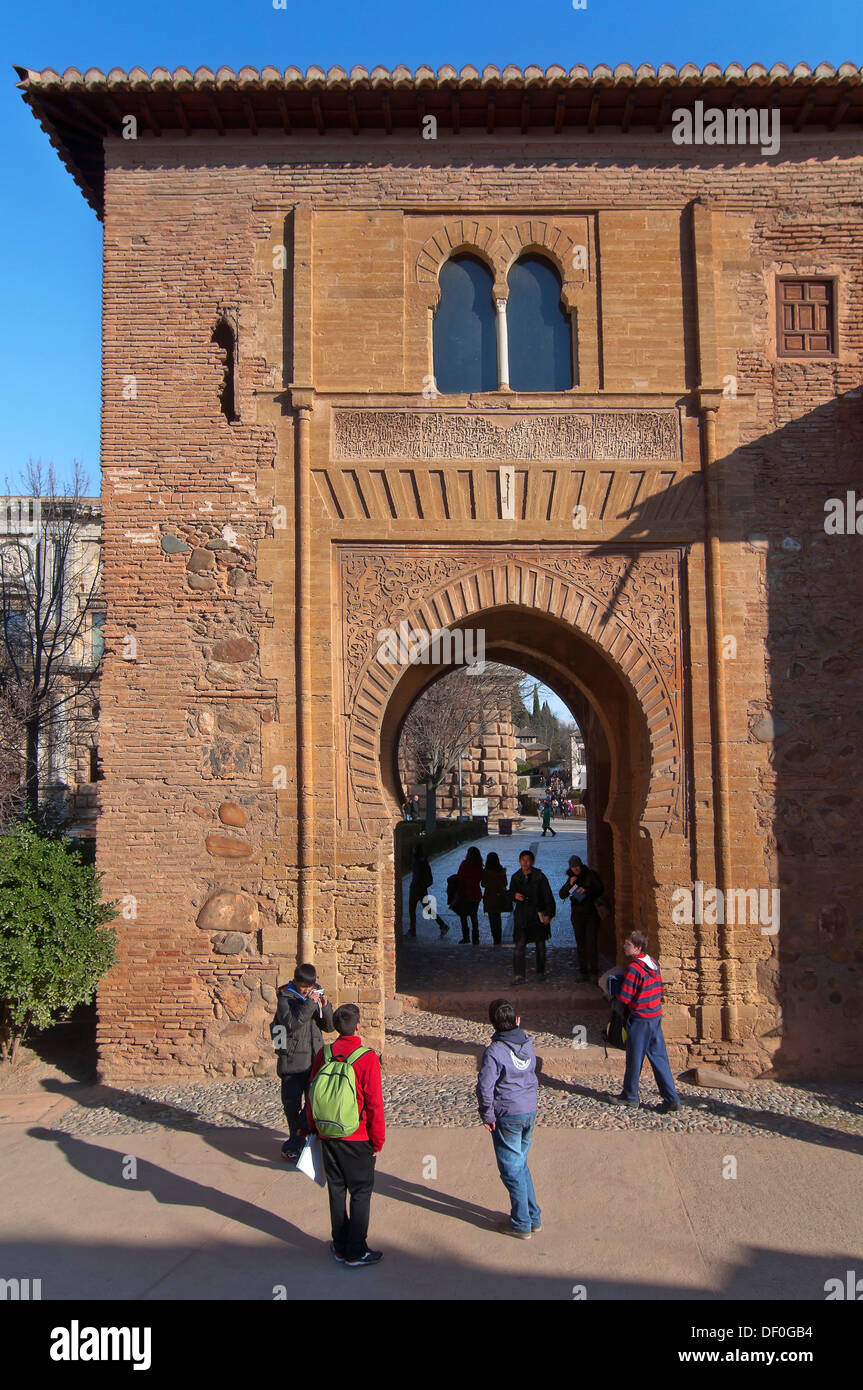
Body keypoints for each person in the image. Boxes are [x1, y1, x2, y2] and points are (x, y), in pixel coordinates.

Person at [304, 1003, 386, 1267]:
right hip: (357, 1135)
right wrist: (378, 1140)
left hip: (328, 1133)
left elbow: (312, 1093)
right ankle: (356, 1251)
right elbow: (374, 1103)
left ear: (337, 1027)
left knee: (337, 1190)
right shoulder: (367, 1058)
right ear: (358, 1025)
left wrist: (313, 1128)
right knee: (361, 1191)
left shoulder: (324, 1053)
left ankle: (340, 1245)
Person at [476, 997, 541, 1239]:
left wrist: (487, 1112)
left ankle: (522, 1222)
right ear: (517, 1020)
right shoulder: (527, 1043)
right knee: (520, 1163)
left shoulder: (494, 1052)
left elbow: (485, 1086)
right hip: (528, 1109)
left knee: (511, 1169)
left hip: (507, 1114)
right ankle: (533, 1215)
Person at [610, 930, 681, 1113]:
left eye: (628, 944)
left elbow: (626, 996)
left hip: (640, 1019)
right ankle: (671, 1098)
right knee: (660, 1058)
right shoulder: (653, 963)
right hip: (654, 1016)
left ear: (638, 948)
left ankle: (630, 1095)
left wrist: (613, 998)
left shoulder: (634, 968)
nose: (624, 947)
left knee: (634, 1058)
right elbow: (659, 988)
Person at [270, 963, 335, 1162]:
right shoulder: (285, 998)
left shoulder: (313, 997)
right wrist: (309, 1004)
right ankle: (295, 1141)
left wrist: (326, 1007)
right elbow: (291, 1025)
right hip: (292, 1061)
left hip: (314, 1060)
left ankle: (299, 1143)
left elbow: (329, 1027)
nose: (306, 990)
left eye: (309, 986)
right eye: (302, 986)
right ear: (295, 982)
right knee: (291, 1105)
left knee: (313, 1105)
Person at [508, 849, 556, 983]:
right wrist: (514, 896)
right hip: (522, 916)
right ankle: (519, 975)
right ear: (519, 861)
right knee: (519, 945)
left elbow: (548, 896)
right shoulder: (516, 877)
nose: (525, 863)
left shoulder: (540, 877)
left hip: (537, 915)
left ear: (532, 861)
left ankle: (540, 971)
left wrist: (549, 914)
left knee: (540, 945)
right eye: (523, 860)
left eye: (528, 860)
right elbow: (510, 892)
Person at [559, 855, 604, 982]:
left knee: (591, 943)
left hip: (591, 914)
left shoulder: (590, 875)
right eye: (573, 867)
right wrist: (570, 884)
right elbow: (562, 894)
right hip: (577, 915)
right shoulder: (571, 878)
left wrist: (587, 890)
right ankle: (583, 971)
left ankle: (594, 970)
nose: (575, 869)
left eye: (577, 866)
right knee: (581, 944)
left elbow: (600, 889)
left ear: (581, 865)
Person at [407, 841, 448, 937]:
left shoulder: (416, 861)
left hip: (415, 888)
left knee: (412, 910)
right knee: (428, 909)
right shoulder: (424, 861)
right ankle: (442, 925)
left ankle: (413, 930)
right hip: (422, 889)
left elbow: (416, 875)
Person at [456, 844, 484, 944]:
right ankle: (476, 938)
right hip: (476, 894)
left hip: (465, 893)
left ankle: (466, 937)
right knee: (474, 916)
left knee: (463, 916)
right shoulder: (479, 865)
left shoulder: (464, 864)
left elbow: (459, 877)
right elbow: (481, 878)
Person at [481, 850, 509, 947]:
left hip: (489, 897)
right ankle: (499, 937)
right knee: (498, 918)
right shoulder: (502, 871)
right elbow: (505, 883)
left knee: (492, 918)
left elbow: (483, 884)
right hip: (499, 897)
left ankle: (495, 938)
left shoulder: (486, 872)